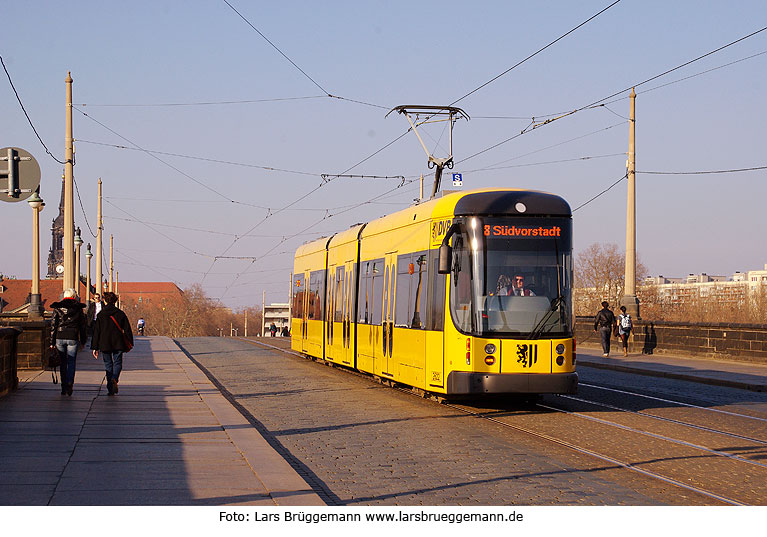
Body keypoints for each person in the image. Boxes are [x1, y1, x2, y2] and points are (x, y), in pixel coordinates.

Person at [91, 291, 134, 396]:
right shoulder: (120, 314)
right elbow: (127, 329)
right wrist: (130, 341)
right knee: (118, 362)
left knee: (108, 364)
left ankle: (110, 388)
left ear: (105, 301)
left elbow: (97, 332)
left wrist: (95, 347)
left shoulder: (101, 315)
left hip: (104, 343)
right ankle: (115, 378)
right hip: (118, 342)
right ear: (115, 301)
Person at [50, 289, 88, 396]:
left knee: (62, 362)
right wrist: (83, 340)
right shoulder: (78, 308)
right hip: (73, 336)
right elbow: (82, 326)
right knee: (71, 361)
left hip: (60, 336)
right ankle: (70, 382)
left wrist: (51, 342)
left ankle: (63, 386)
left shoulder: (57, 307)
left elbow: (53, 325)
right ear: (74, 296)